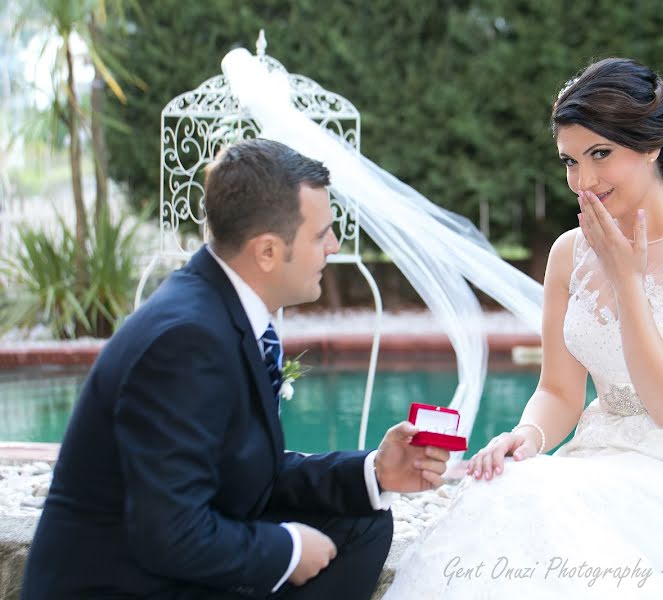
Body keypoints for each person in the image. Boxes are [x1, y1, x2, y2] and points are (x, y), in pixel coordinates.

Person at [383, 58, 663, 599]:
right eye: (570, 161)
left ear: (650, 146)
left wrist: (627, 280)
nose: (584, 181)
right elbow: (558, 391)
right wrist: (527, 436)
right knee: (502, 489)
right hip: (600, 460)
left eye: (601, 155)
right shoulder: (568, 252)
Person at [22, 138, 450, 600]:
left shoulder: (222, 309)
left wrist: (374, 470)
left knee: (360, 523)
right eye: (320, 233)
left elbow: (242, 470)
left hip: (167, 559)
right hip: (121, 583)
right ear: (267, 251)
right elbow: (169, 533)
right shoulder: (185, 341)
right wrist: (284, 548)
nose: (334, 245)